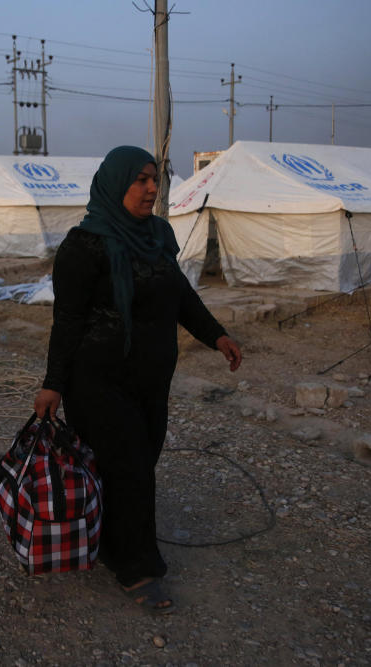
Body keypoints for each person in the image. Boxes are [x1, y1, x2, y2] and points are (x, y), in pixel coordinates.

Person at [33, 146, 242, 615]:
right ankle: (138, 568)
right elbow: (66, 321)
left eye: (155, 179)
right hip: (98, 381)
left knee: (137, 464)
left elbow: (180, 295)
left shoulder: (157, 236)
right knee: (130, 471)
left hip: (150, 380)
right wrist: (53, 383)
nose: (152, 188)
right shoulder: (83, 246)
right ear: (116, 184)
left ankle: (109, 541)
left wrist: (216, 335)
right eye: (141, 180)